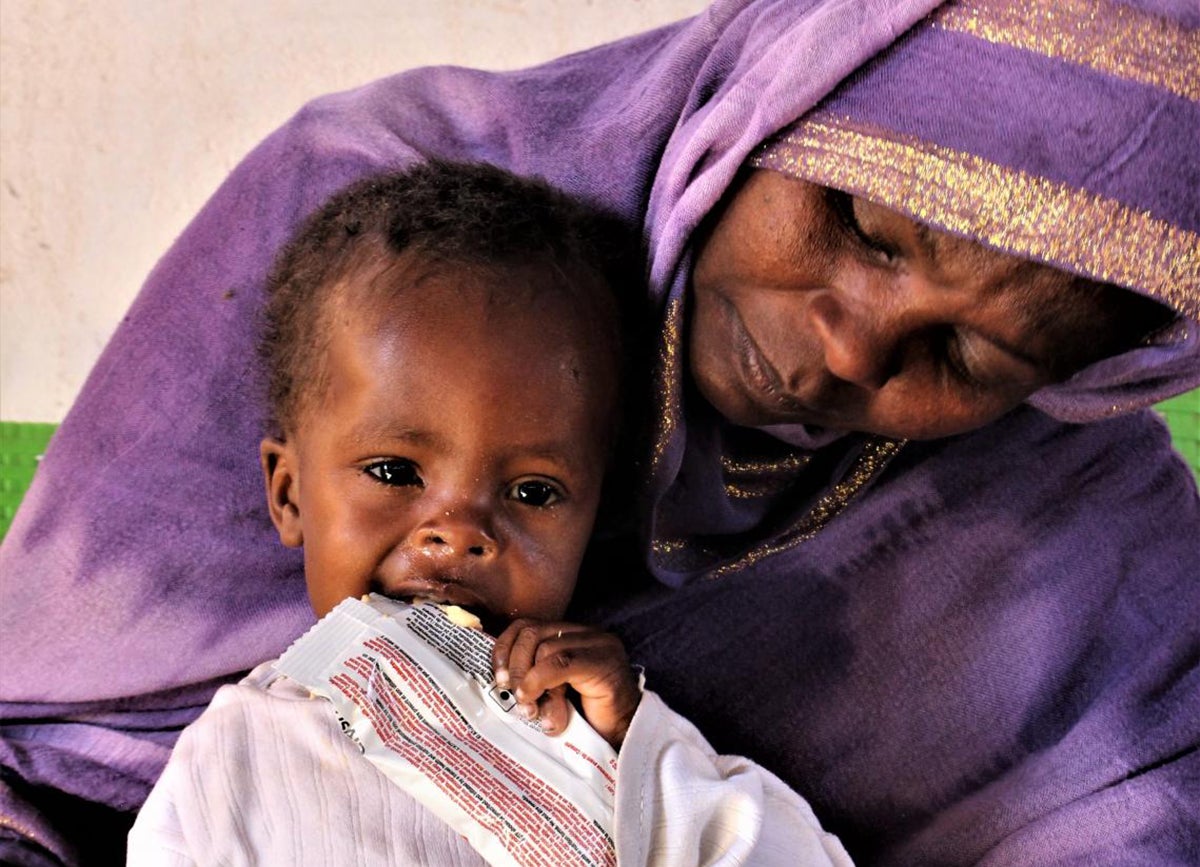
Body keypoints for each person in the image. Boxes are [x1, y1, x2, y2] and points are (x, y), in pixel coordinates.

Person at [1, 0, 1196, 864]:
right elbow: (50, 753)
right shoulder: (369, 235)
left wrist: (640, 752)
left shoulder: (1081, 515)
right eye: (864, 228)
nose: (849, 348)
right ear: (785, 86)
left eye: (969, 357)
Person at [123, 161, 850, 866]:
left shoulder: (597, 735)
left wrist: (636, 745)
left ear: (596, 519)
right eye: (394, 471)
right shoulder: (233, 757)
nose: (460, 531)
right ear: (289, 495)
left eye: (533, 492)